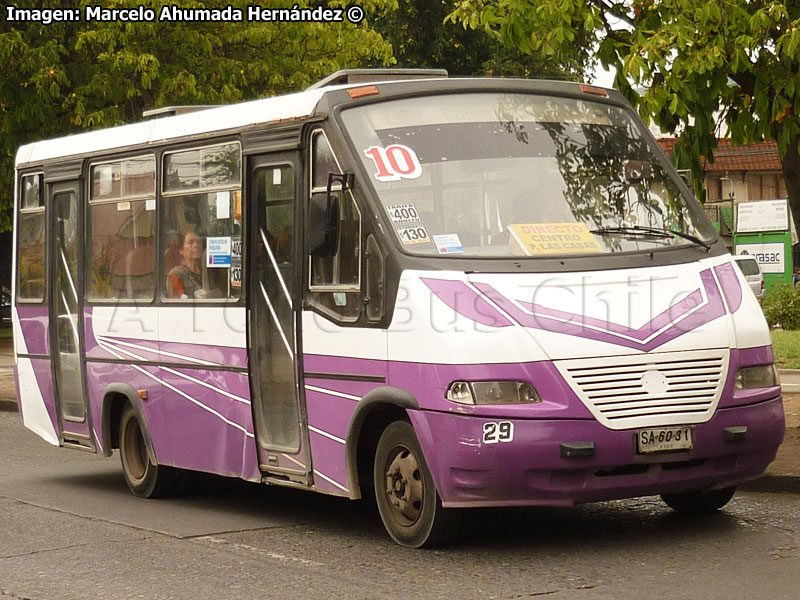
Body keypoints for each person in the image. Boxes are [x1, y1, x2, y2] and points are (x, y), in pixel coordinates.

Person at [166, 229, 207, 299]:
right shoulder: (176, 274)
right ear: (181, 250)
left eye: (198, 242)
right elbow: (177, 302)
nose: (196, 246)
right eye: (190, 243)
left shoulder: (207, 272)